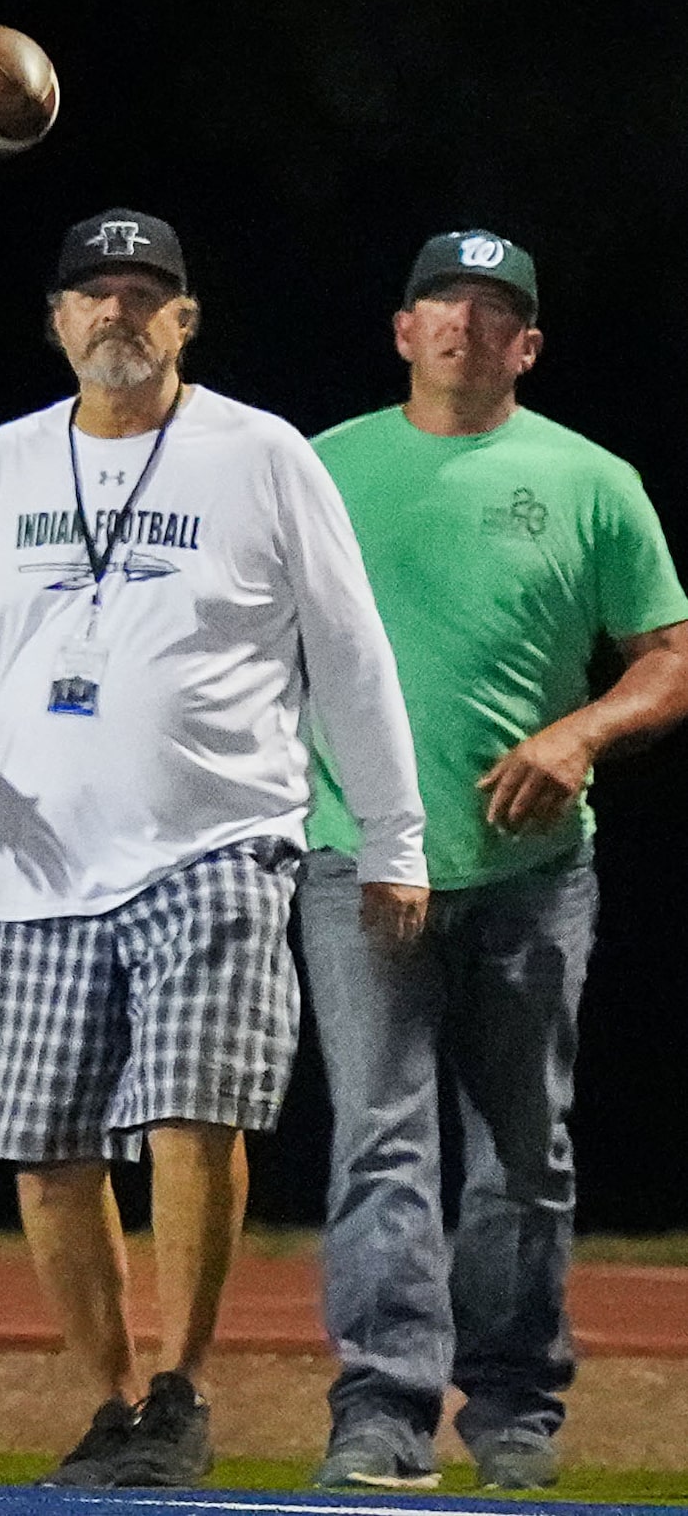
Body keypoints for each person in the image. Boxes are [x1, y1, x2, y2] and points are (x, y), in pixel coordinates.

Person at [0, 211, 428, 1488]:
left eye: (144, 295)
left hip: (219, 841)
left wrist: (393, 838)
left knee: (191, 1103)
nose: (117, 313)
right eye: (93, 294)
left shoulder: (260, 455)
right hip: (38, 862)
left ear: (185, 320)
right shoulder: (6, 463)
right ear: (57, 321)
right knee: (45, 1146)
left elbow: (348, 655)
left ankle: (181, 1386)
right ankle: (114, 1404)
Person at [299, 232, 688, 1493]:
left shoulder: (591, 480)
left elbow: (667, 658)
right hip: (354, 860)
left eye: (491, 310)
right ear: (401, 331)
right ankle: (382, 1412)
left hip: (529, 874)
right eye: (440, 305)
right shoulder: (316, 471)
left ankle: (515, 1415)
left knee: (524, 1155)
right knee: (380, 1145)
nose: (463, 326)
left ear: (526, 345)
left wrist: (581, 730)